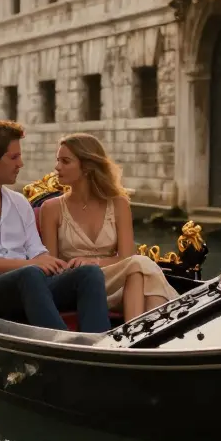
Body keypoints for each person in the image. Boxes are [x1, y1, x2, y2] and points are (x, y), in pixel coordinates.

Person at [0, 121, 113, 334]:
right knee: (29, 274)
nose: (21, 164)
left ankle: (99, 343)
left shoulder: (19, 203)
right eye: (14, 157)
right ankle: (64, 348)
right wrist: (27, 266)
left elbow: (37, 252)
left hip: (29, 283)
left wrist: (54, 263)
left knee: (89, 273)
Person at [38, 133, 179, 321]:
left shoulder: (119, 204)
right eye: (58, 161)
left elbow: (126, 256)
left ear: (87, 167)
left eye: (65, 161)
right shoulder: (51, 208)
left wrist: (93, 262)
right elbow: (52, 266)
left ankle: (136, 335)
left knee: (137, 271)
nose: (57, 167)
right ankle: (156, 331)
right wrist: (83, 268)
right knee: (139, 265)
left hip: (120, 284)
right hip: (79, 283)